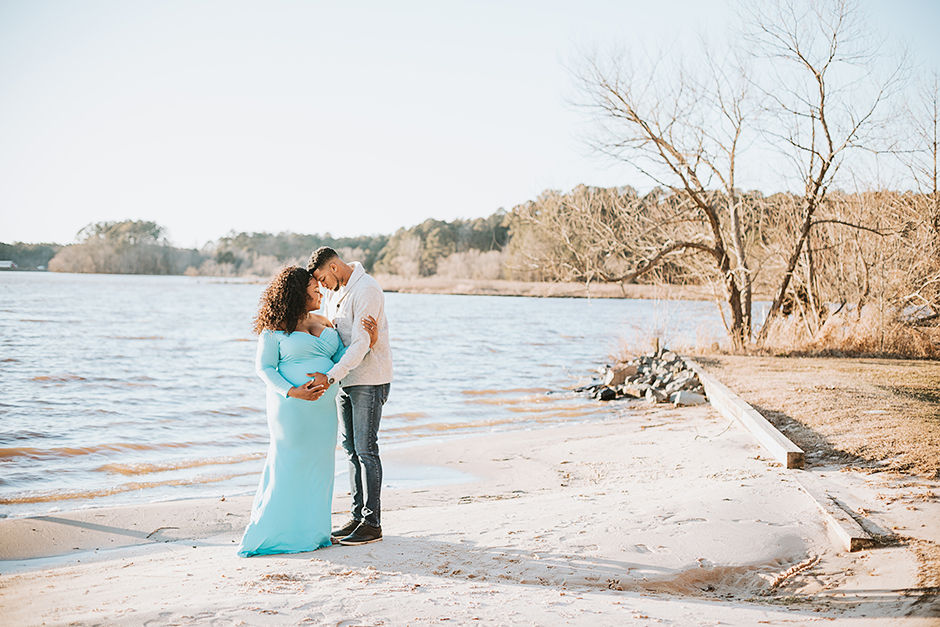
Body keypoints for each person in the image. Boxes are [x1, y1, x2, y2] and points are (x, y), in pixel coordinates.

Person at [237, 266, 377, 557]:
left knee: (320, 468)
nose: (320, 293)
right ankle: (278, 532)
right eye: (314, 290)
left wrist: (369, 343)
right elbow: (264, 367)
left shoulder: (325, 321)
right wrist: (293, 391)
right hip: (291, 408)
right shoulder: (275, 327)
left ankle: (315, 533)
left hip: (322, 412)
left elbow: (341, 358)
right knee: (289, 465)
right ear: (298, 294)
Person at [306, 246, 392, 546]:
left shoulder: (367, 289)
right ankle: (357, 517)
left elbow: (359, 344)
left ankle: (373, 523)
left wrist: (329, 376)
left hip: (369, 379)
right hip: (346, 379)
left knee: (367, 449)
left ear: (332, 267)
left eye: (321, 278)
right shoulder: (334, 293)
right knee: (351, 450)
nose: (321, 286)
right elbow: (333, 334)